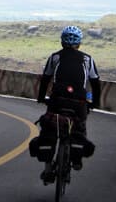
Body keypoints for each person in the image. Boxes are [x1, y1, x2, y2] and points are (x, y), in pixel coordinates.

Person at [36, 25, 101, 180]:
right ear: (79, 43)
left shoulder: (55, 57)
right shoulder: (88, 59)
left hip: (57, 100)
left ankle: (47, 169)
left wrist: (41, 97)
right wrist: (94, 103)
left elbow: (45, 79)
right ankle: (76, 158)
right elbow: (96, 84)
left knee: (49, 128)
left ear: (61, 41)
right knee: (79, 127)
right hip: (79, 102)